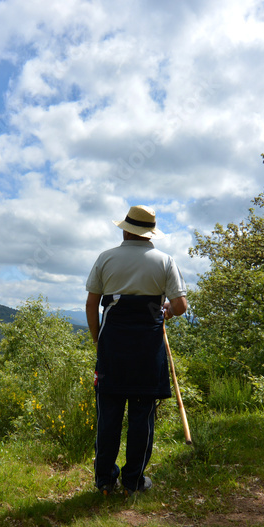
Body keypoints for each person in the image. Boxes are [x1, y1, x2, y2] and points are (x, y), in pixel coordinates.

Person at [85, 205, 188, 495]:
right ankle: (133, 481)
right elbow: (179, 306)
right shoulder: (165, 261)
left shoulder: (106, 258)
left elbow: (92, 305)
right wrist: (165, 311)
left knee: (108, 417)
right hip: (148, 347)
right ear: (150, 232)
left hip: (112, 347)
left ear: (126, 229)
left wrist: (98, 342)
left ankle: (105, 480)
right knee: (142, 416)